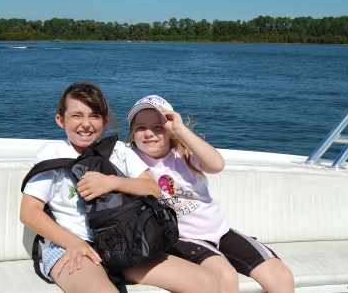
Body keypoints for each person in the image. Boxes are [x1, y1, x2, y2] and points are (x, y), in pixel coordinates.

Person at [20, 82, 219, 293]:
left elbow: (153, 189)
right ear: (61, 120)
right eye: (77, 116)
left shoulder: (118, 150)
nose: (86, 124)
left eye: (94, 116)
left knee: (206, 282)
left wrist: (111, 182)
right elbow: (29, 212)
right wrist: (73, 243)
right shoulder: (53, 153)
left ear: (104, 122)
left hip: (121, 241)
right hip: (69, 246)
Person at [125, 95, 295, 293]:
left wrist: (181, 131)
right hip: (182, 238)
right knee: (225, 275)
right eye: (140, 128)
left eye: (158, 127)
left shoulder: (184, 152)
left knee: (281, 275)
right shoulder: (130, 158)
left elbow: (217, 165)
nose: (149, 133)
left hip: (221, 231)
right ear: (132, 133)